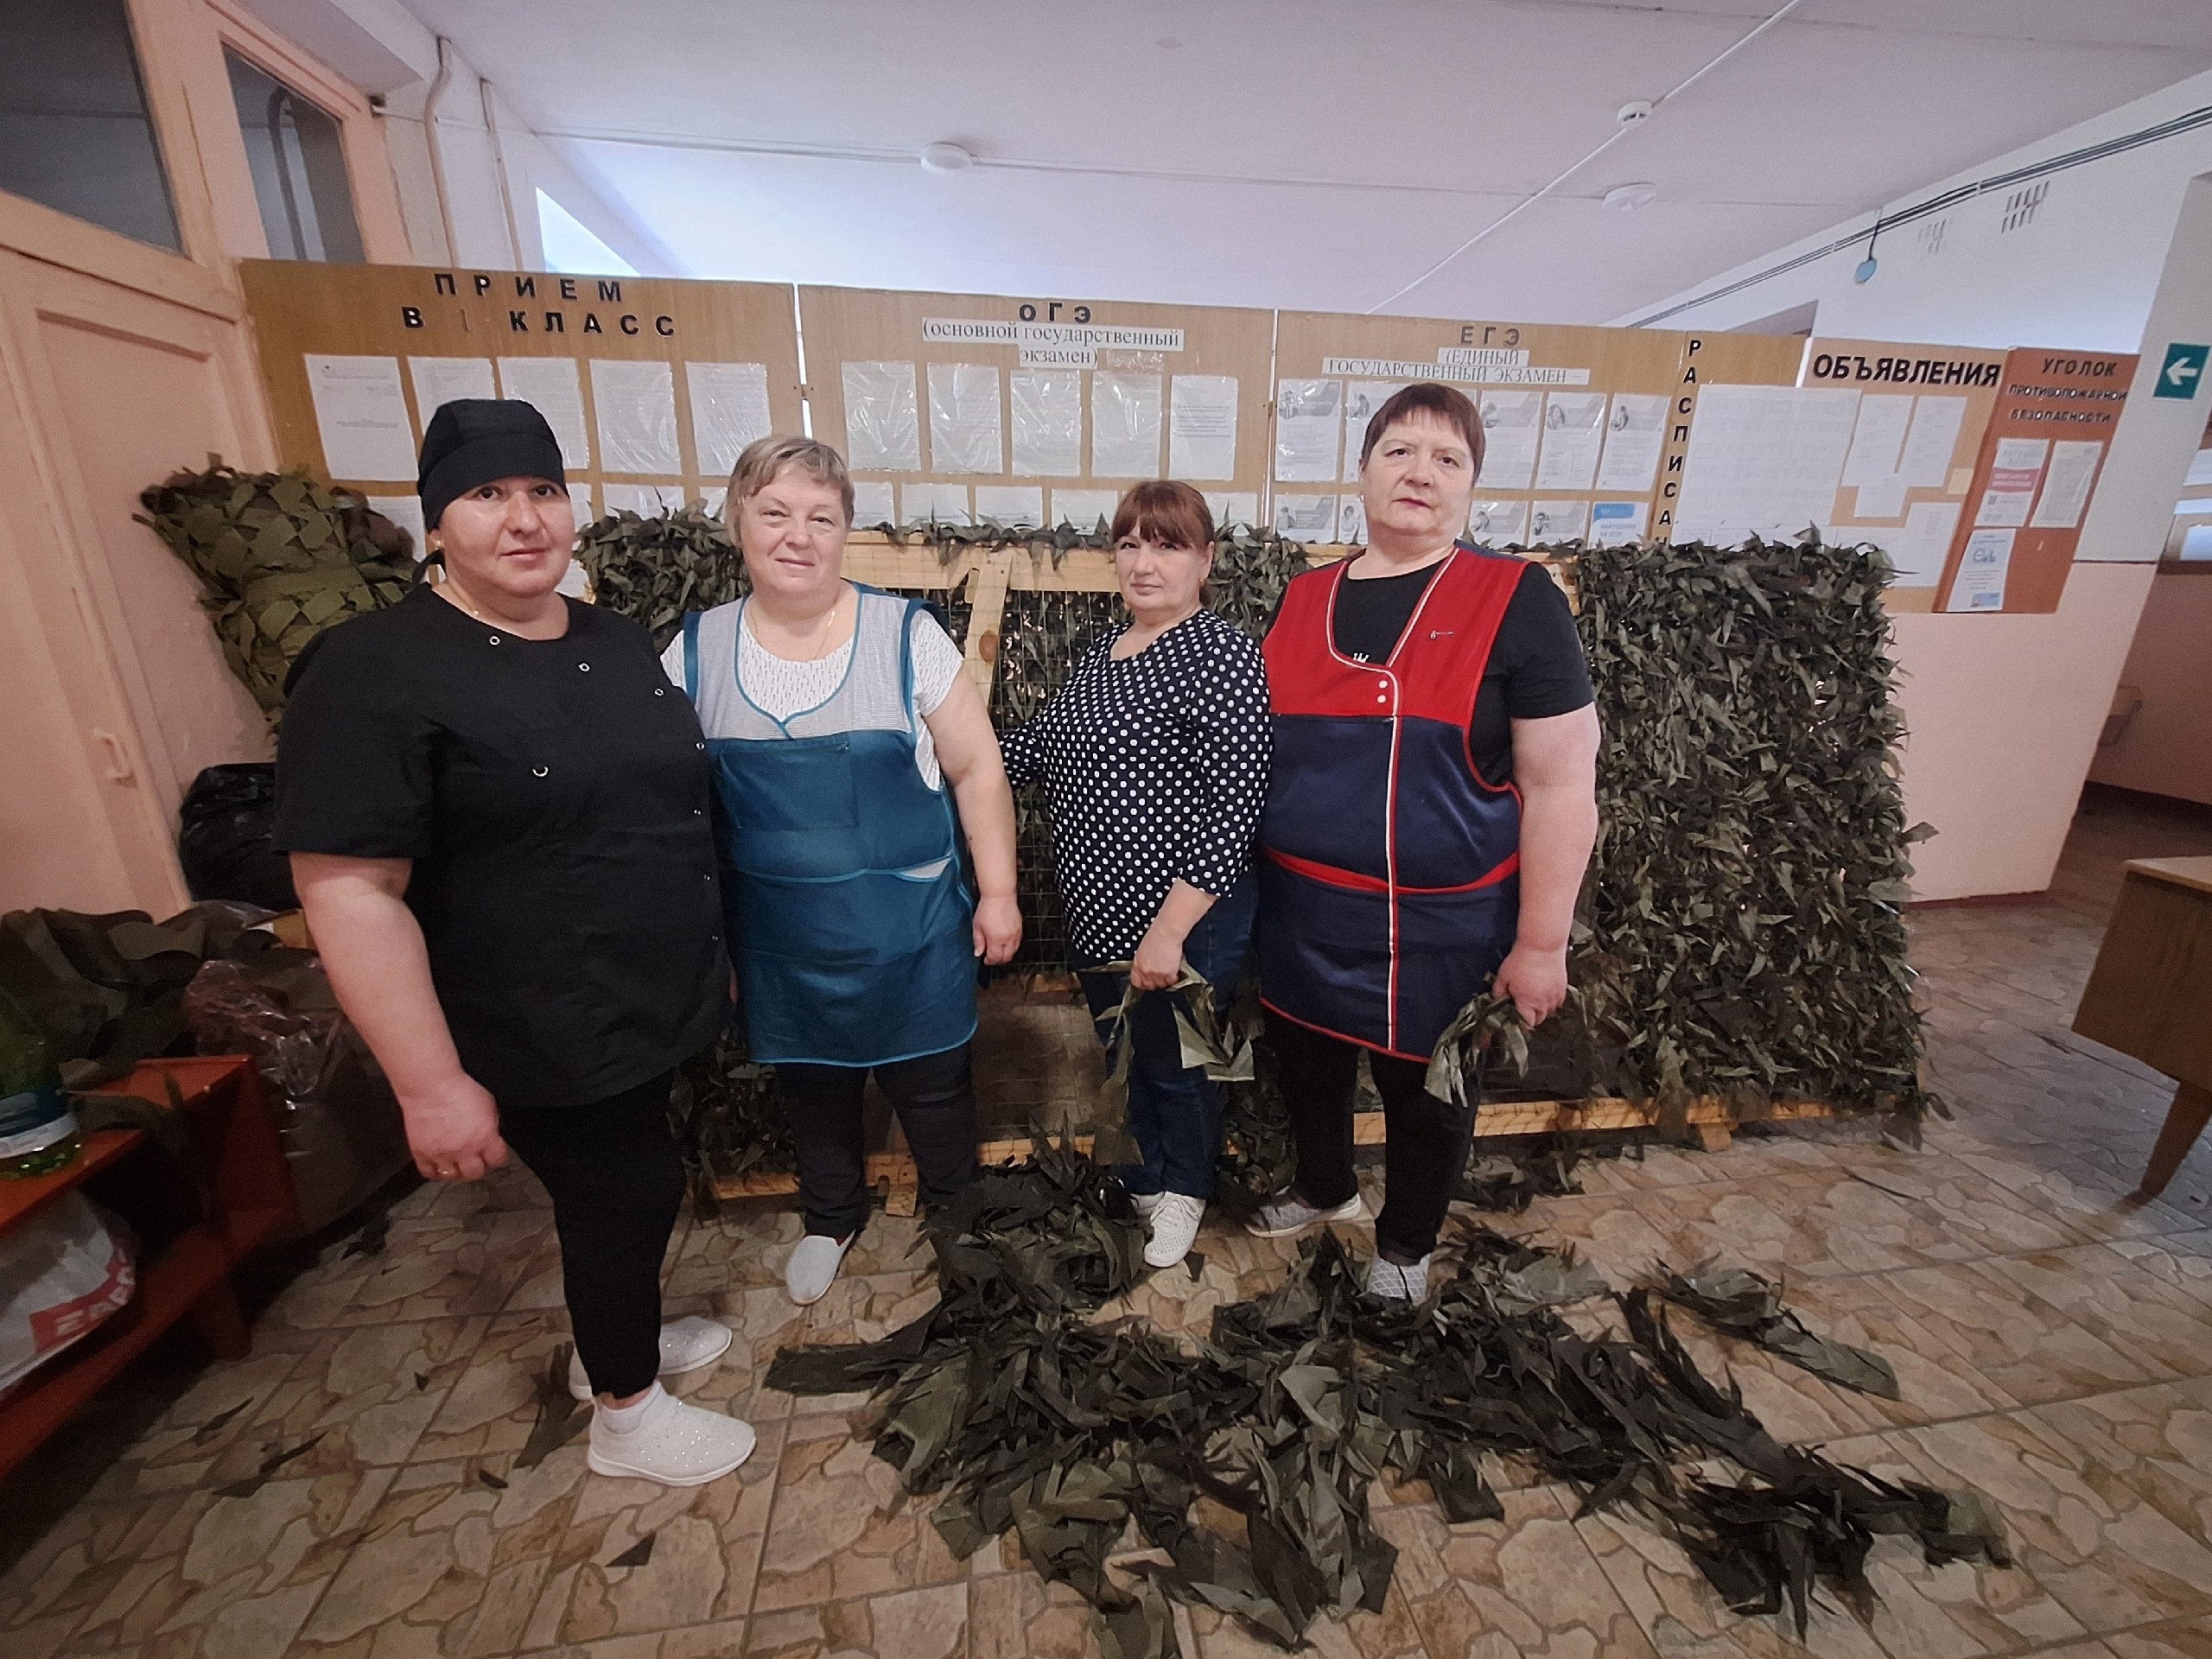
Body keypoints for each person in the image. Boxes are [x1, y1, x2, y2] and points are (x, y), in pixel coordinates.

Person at [275, 400, 753, 1487]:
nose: (523, 519)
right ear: (436, 521)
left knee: (624, 1190)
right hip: (535, 1010)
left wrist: (706, 953)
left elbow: (661, 812)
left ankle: (615, 1341)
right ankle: (627, 1414)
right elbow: (349, 892)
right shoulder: (372, 669)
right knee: (622, 1192)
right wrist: (429, 1084)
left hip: (647, 992)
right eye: (486, 495)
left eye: (542, 491)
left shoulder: (609, 639)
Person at [1248, 383, 1601, 1302]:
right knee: (1308, 1066)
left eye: (1448, 458)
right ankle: (1325, 1185)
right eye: (1398, 451)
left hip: (1440, 927)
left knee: (1426, 1094)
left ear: (1471, 485)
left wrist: (1541, 944)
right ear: (1363, 471)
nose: (1420, 473)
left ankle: (1405, 1245)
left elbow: (1562, 786)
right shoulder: (1302, 598)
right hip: (1301, 911)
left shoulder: (1517, 598)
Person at [668, 435, 1020, 1306]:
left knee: (933, 1086)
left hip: (910, 935)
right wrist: (705, 946)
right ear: (738, 523)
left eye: (820, 518)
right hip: (781, 944)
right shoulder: (692, 653)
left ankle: (955, 1217)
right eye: (775, 513)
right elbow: (674, 814)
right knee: (813, 1087)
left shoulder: (906, 637)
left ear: (844, 531)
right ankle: (830, 1217)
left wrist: (1000, 893)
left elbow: (978, 768)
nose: (798, 536)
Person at [1001, 482, 1270, 1269]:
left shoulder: (1223, 656)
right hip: (1097, 914)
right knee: (1124, 1055)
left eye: (1167, 545)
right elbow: (1036, 749)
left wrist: (1170, 931)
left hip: (1182, 921)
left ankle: (1186, 1185)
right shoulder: (1101, 655)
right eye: (1130, 544)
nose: (1144, 563)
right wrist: (947, 752)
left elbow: (1234, 810)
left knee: (1179, 1065)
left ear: (1205, 559)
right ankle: (1147, 1175)